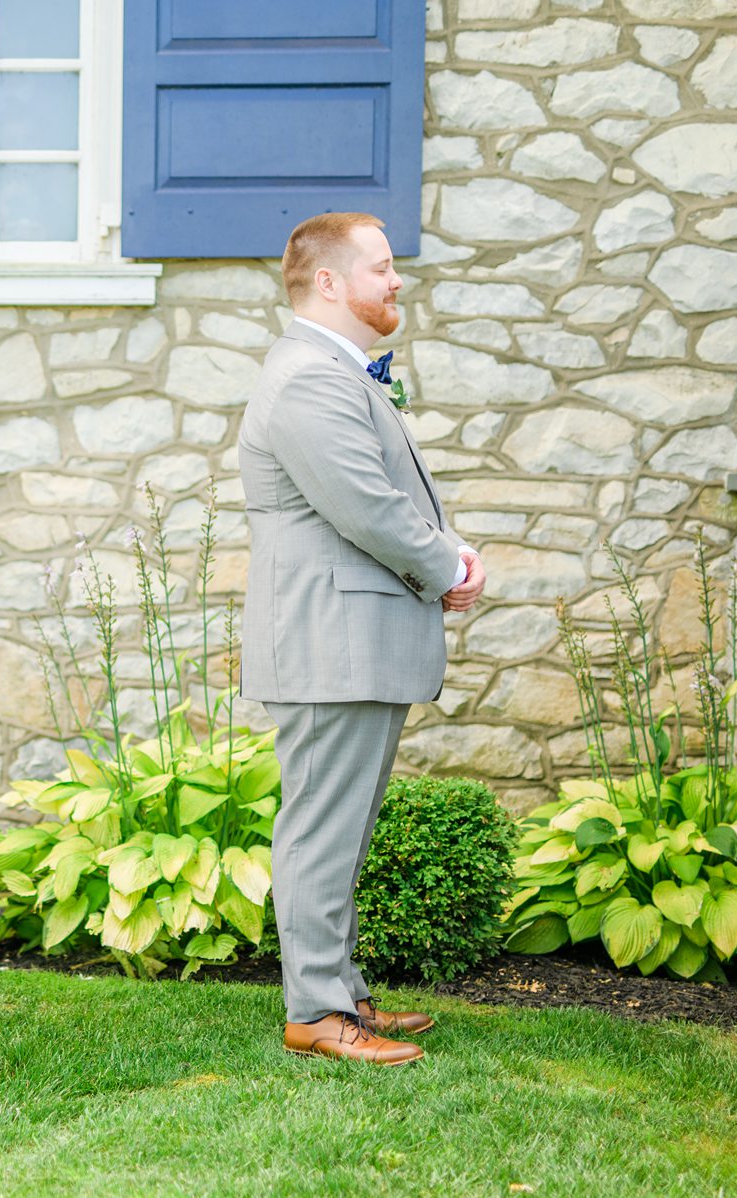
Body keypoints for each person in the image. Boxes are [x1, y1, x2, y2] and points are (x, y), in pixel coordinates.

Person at [236, 213, 486, 1065]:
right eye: (382, 268)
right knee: (320, 829)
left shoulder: (336, 374)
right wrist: (448, 565)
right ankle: (313, 1012)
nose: (397, 281)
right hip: (329, 641)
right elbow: (367, 507)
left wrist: (438, 562)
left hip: (350, 638)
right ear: (331, 283)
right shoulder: (308, 376)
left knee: (342, 827)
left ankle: (340, 991)